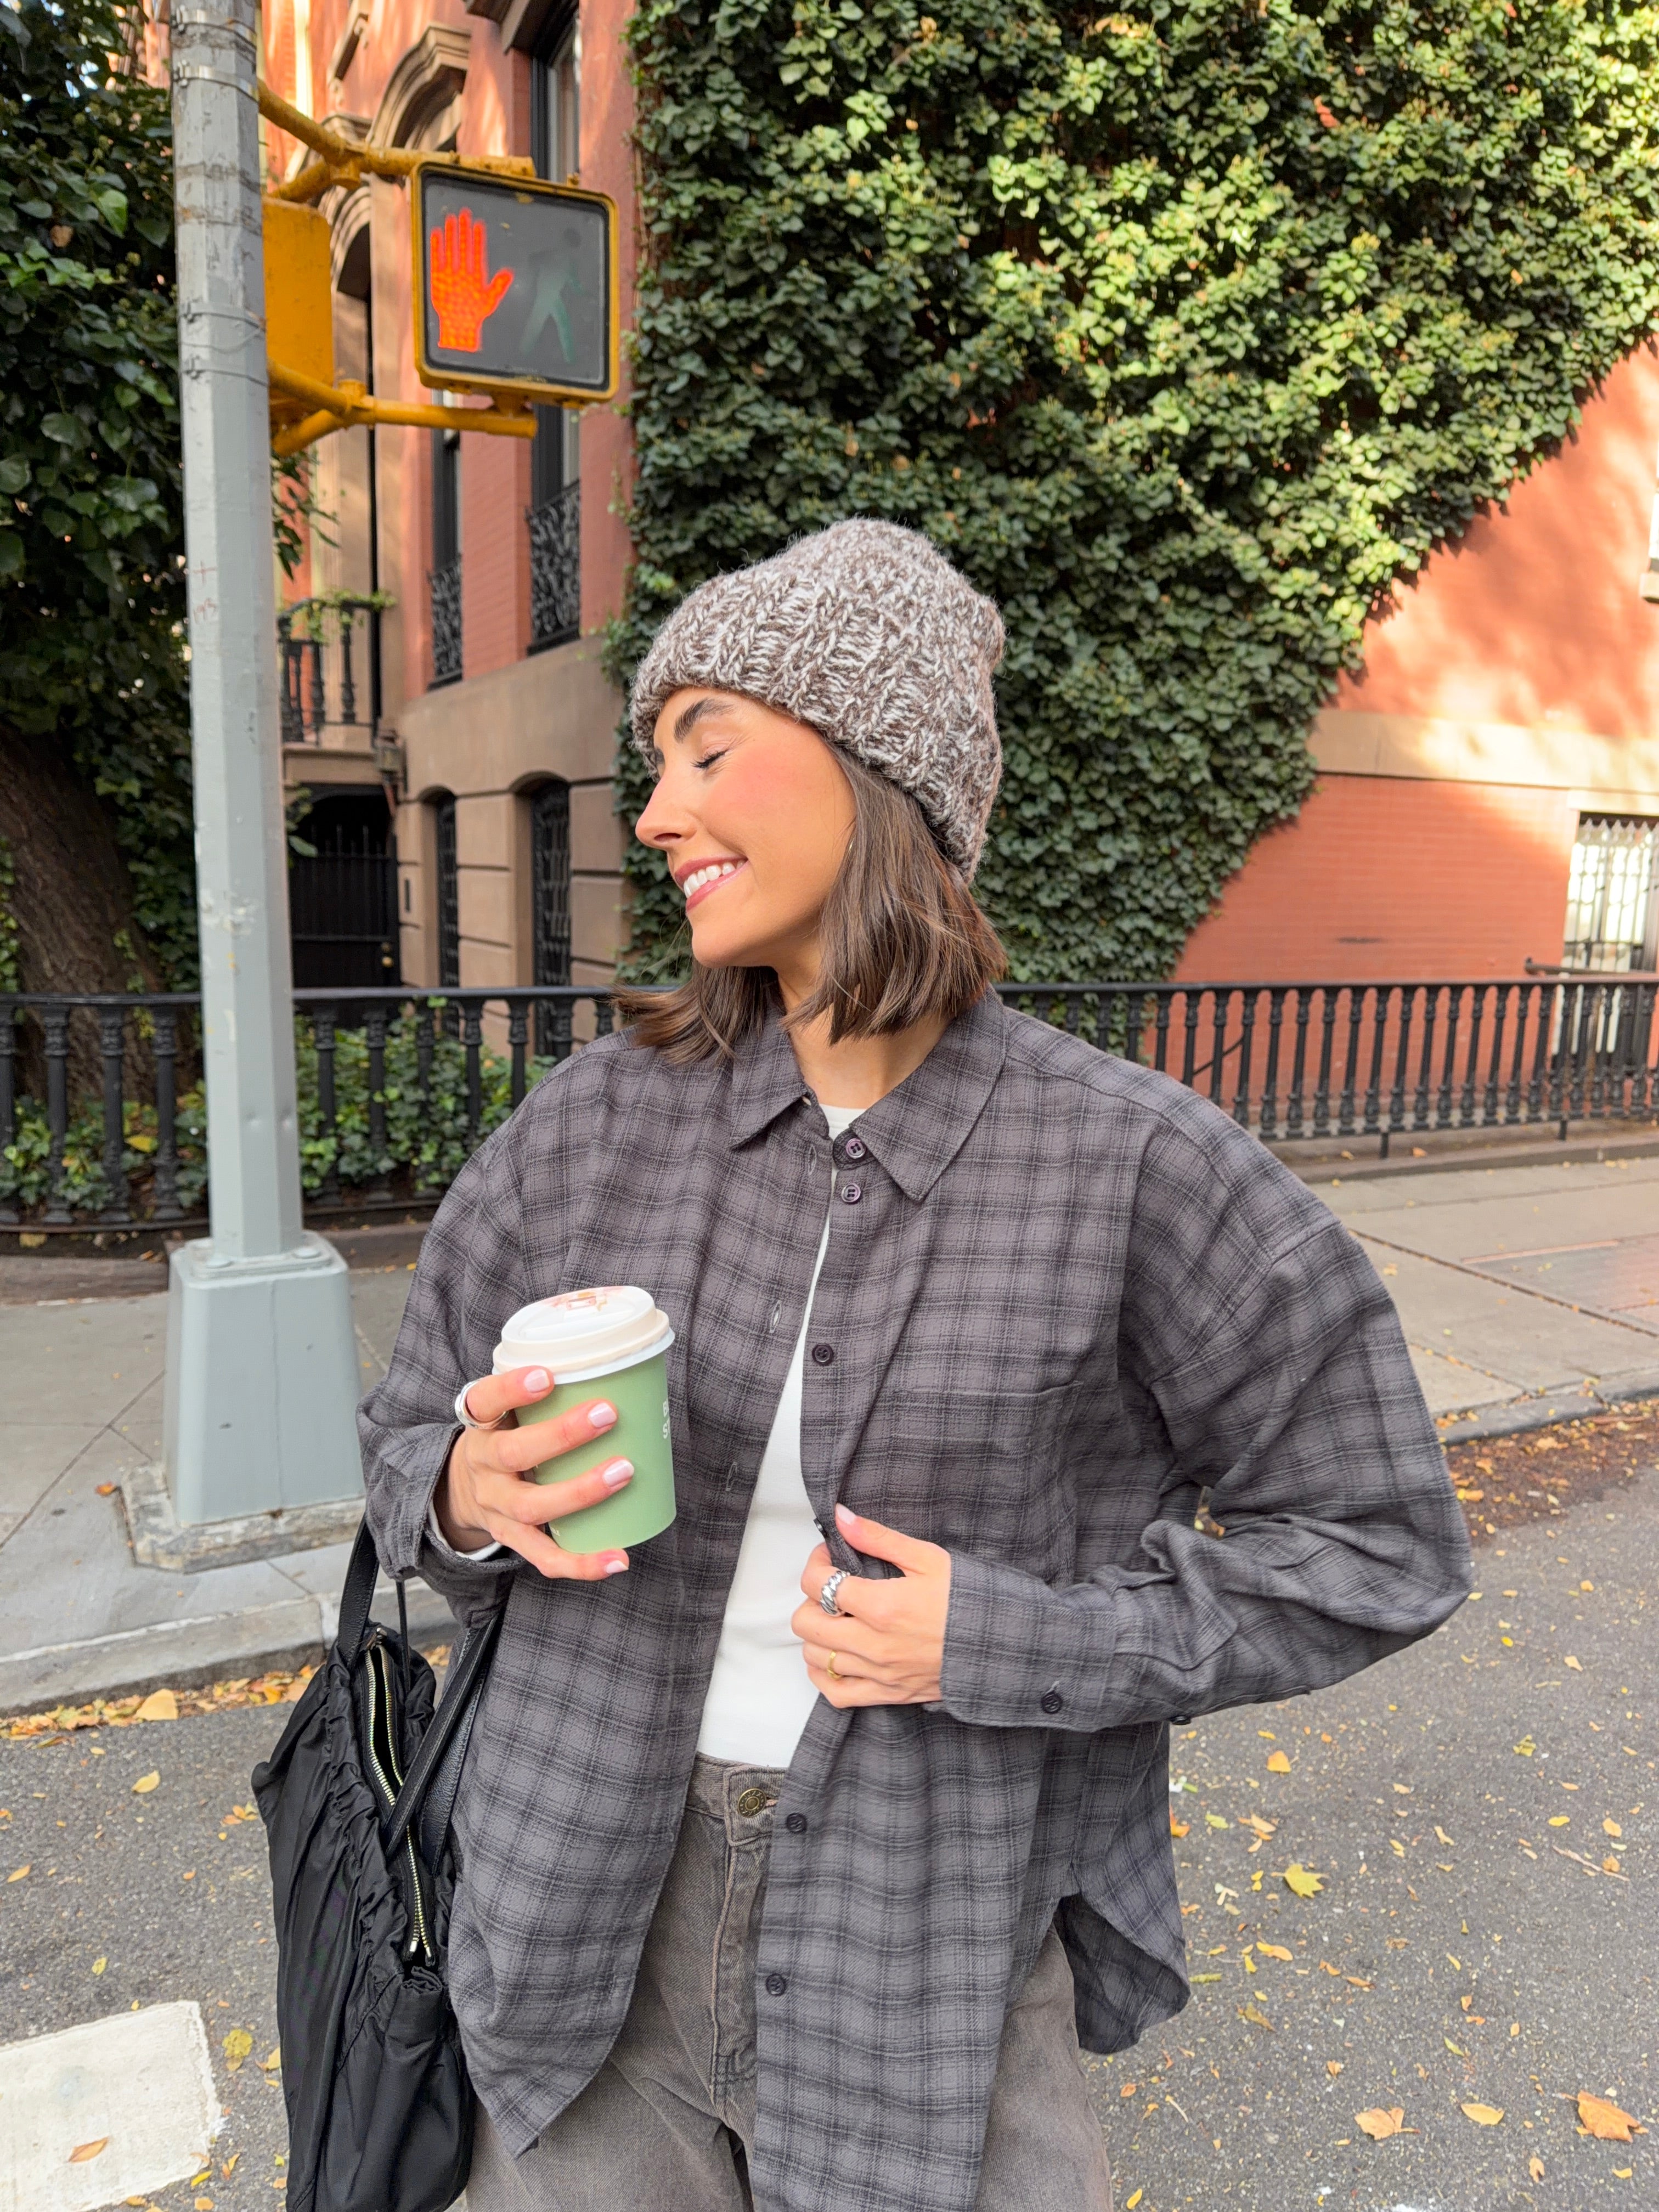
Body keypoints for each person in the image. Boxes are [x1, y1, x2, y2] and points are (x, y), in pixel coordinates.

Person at [359, 520, 1471, 2212]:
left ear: (879, 769)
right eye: (657, 769)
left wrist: (1013, 1639)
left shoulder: (1134, 1167)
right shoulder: (592, 1125)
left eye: (707, 750)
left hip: (933, 1931)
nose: (657, 816)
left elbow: (1382, 1547)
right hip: (571, 1919)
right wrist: (461, 1485)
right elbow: (399, 1441)